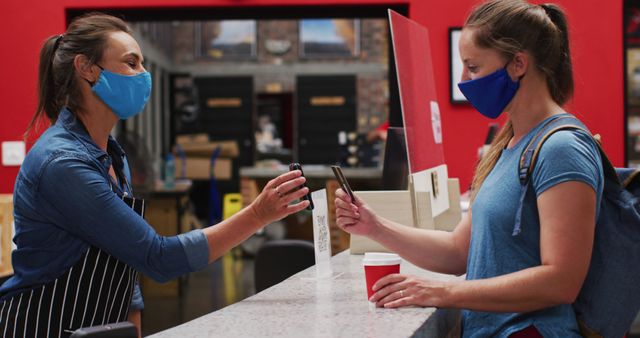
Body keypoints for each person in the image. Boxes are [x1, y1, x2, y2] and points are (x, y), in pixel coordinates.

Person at [0, 13, 310, 337]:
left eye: (143, 63)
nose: (143, 75)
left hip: (98, 328)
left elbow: (126, 254)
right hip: (43, 327)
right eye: (131, 63)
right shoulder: (62, 164)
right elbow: (157, 256)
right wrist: (258, 214)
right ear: (87, 69)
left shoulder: (114, 156)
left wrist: (131, 322)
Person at [335, 1, 603, 337]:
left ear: (518, 64)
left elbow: (561, 281)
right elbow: (458, 251)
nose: (463, 80)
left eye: (473, 67)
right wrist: (374, 226)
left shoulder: (561, 149)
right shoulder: (509, 144)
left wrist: (442, 292)